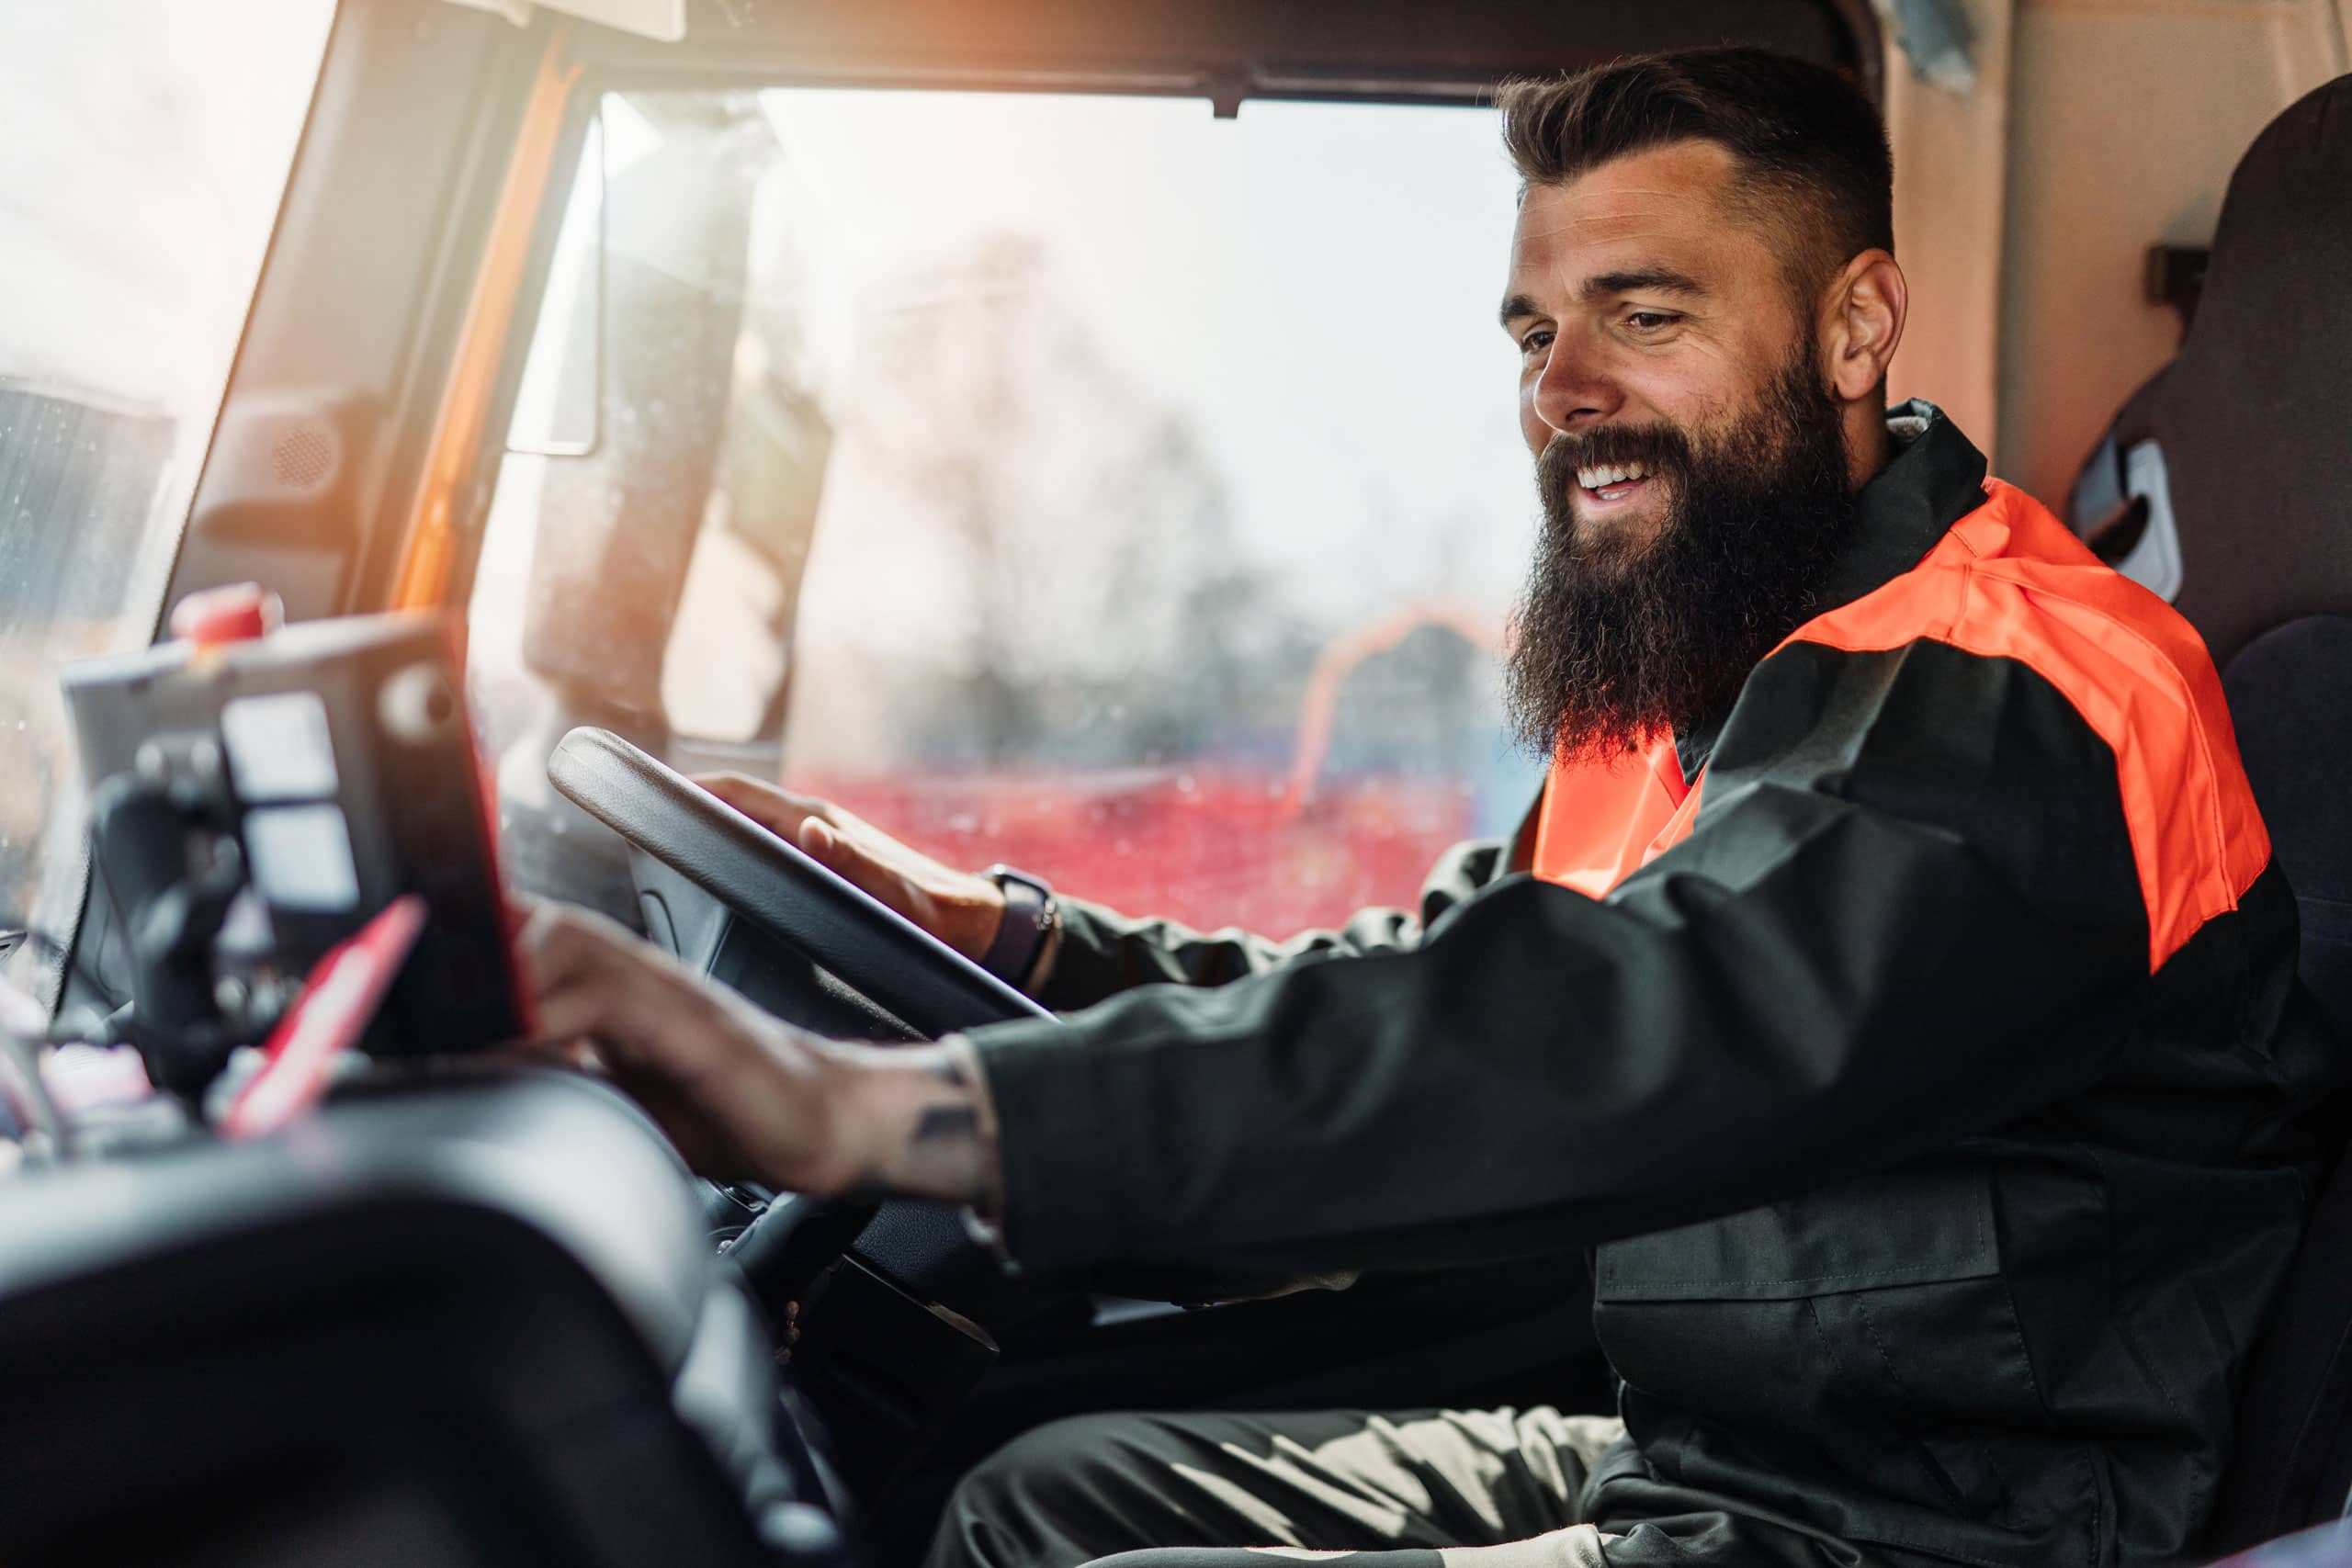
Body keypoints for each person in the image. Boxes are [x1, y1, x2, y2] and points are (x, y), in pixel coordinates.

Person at [517, 48, 2342, 1568]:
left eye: (1642, 313)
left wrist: (887, 1108)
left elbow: (1609, 1036)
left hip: (1950, 1521)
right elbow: (1438, 964)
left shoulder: (2026, 700)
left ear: (1853, 327)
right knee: (1032, 1493)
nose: (1560, 390)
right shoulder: (1703, 667)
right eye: (1533, 328)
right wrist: (1002, 932)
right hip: (1711, 1454)